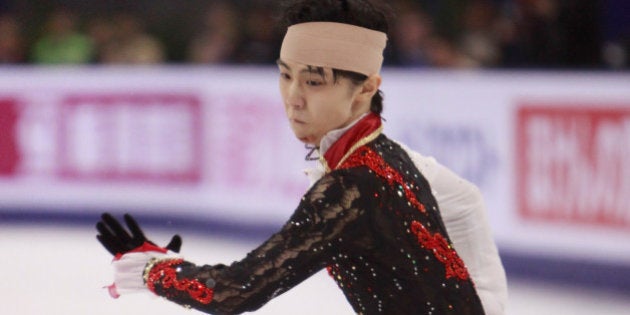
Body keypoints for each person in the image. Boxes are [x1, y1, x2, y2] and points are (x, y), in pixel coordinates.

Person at [95, 0, 508, 314]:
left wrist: (153, 272)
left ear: (366, 88)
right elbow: (468, 199)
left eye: (313, 81)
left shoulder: (351, 188)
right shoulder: (386, 156)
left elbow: (234, 291)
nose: (293, 97)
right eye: (285, 74)